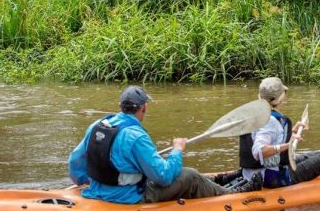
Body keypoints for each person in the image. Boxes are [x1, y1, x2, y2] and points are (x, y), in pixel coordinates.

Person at [68, 85, 262, 204]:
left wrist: (85, 182)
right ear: (144, 107)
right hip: (127, 197)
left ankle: (220, 179)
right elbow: (163, 177)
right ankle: (232, 193)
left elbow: (75, 162)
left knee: (178, 170)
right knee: (189, 176)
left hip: (97, 190)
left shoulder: (98, 125)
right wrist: (177, 151)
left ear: (120, 106)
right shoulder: (136, 137)